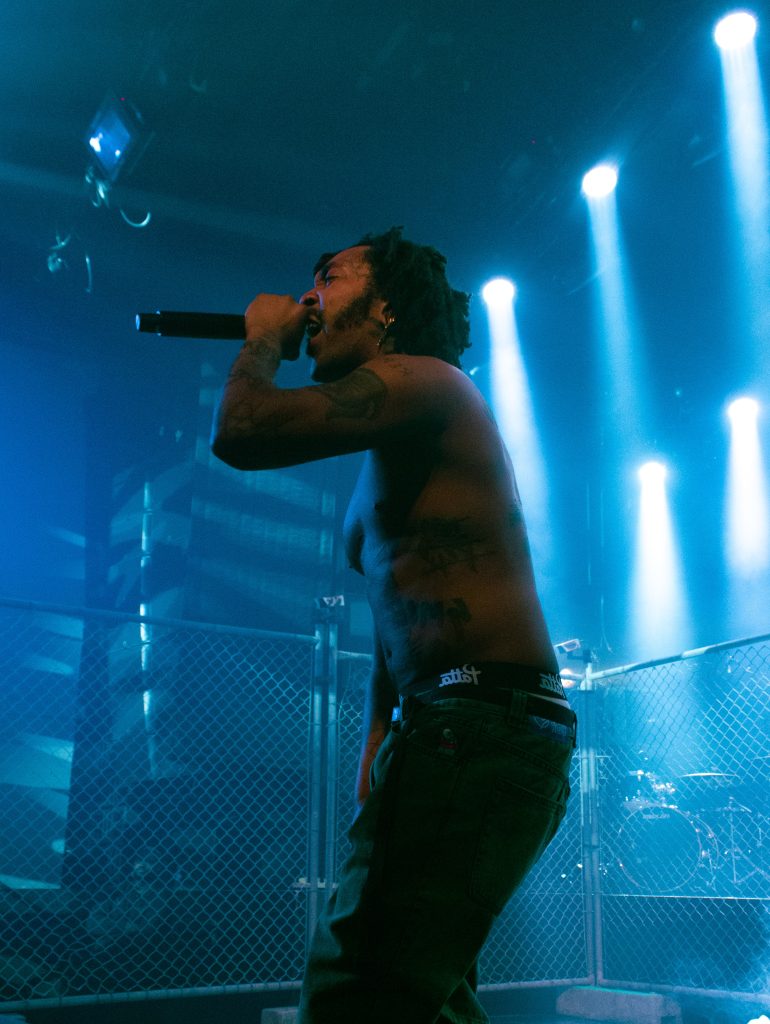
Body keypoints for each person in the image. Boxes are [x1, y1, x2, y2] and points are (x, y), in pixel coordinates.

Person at [211, 227, 576, 1024]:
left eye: (329, 277)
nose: (306, 298)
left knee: (357, 989)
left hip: (480, 723)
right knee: (424, 998)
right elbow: (396, 617)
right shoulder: (390, 452)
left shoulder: (429, 382)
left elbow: (241, 429)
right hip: (446, 725)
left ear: (386, 311)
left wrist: (263, 340)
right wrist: (378, 748)